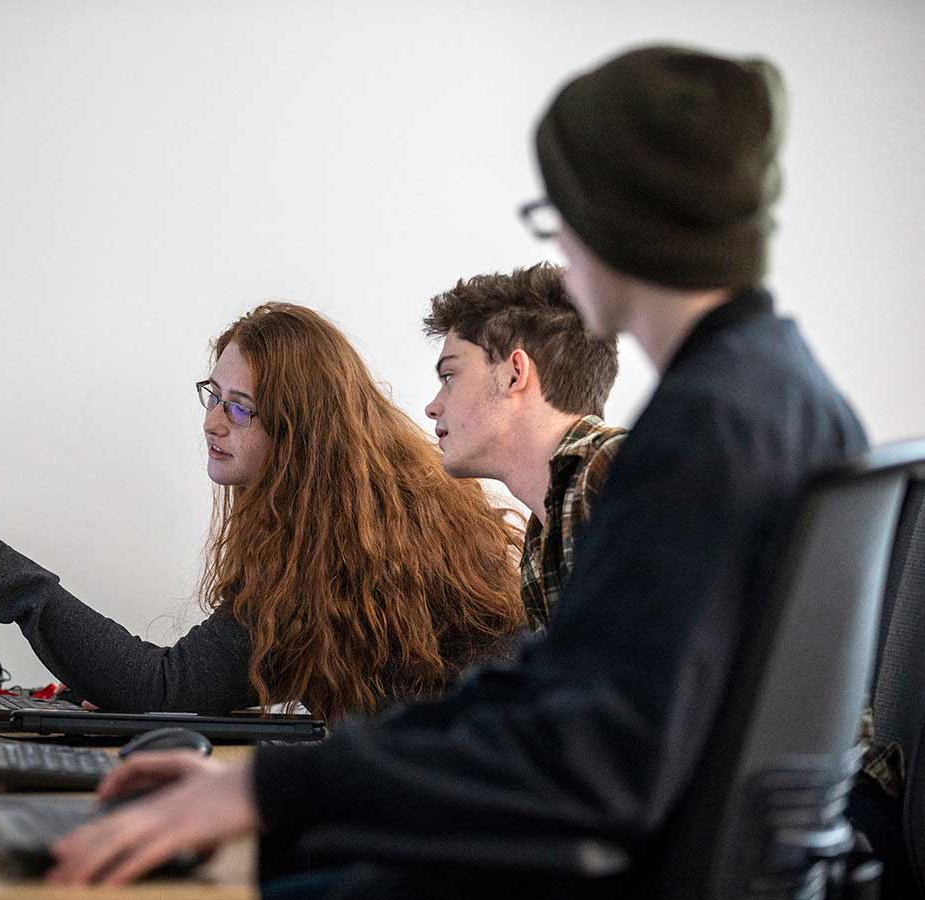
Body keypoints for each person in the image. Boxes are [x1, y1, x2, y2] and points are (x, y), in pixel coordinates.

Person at [44, 44, 868, 894]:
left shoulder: (703, 433)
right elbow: (558, 694)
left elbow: (581, 756)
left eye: (559, 213)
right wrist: (270, 785)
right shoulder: (789, 398)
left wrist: (272, 789)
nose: (562, 245)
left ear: (613, 218)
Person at [0, 302, 525, 724]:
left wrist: (3, 572)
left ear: (298, 432)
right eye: (214, 395)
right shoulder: (360, 510)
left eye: (239, 408)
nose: (211, 421)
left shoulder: (336, 545)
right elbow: (193, 686)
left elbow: (165, 687)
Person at [423, 263, 626, 630]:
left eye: (450, 376)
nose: (433, 406)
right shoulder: (543, 533)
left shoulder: (612, 469)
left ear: (514, 373)